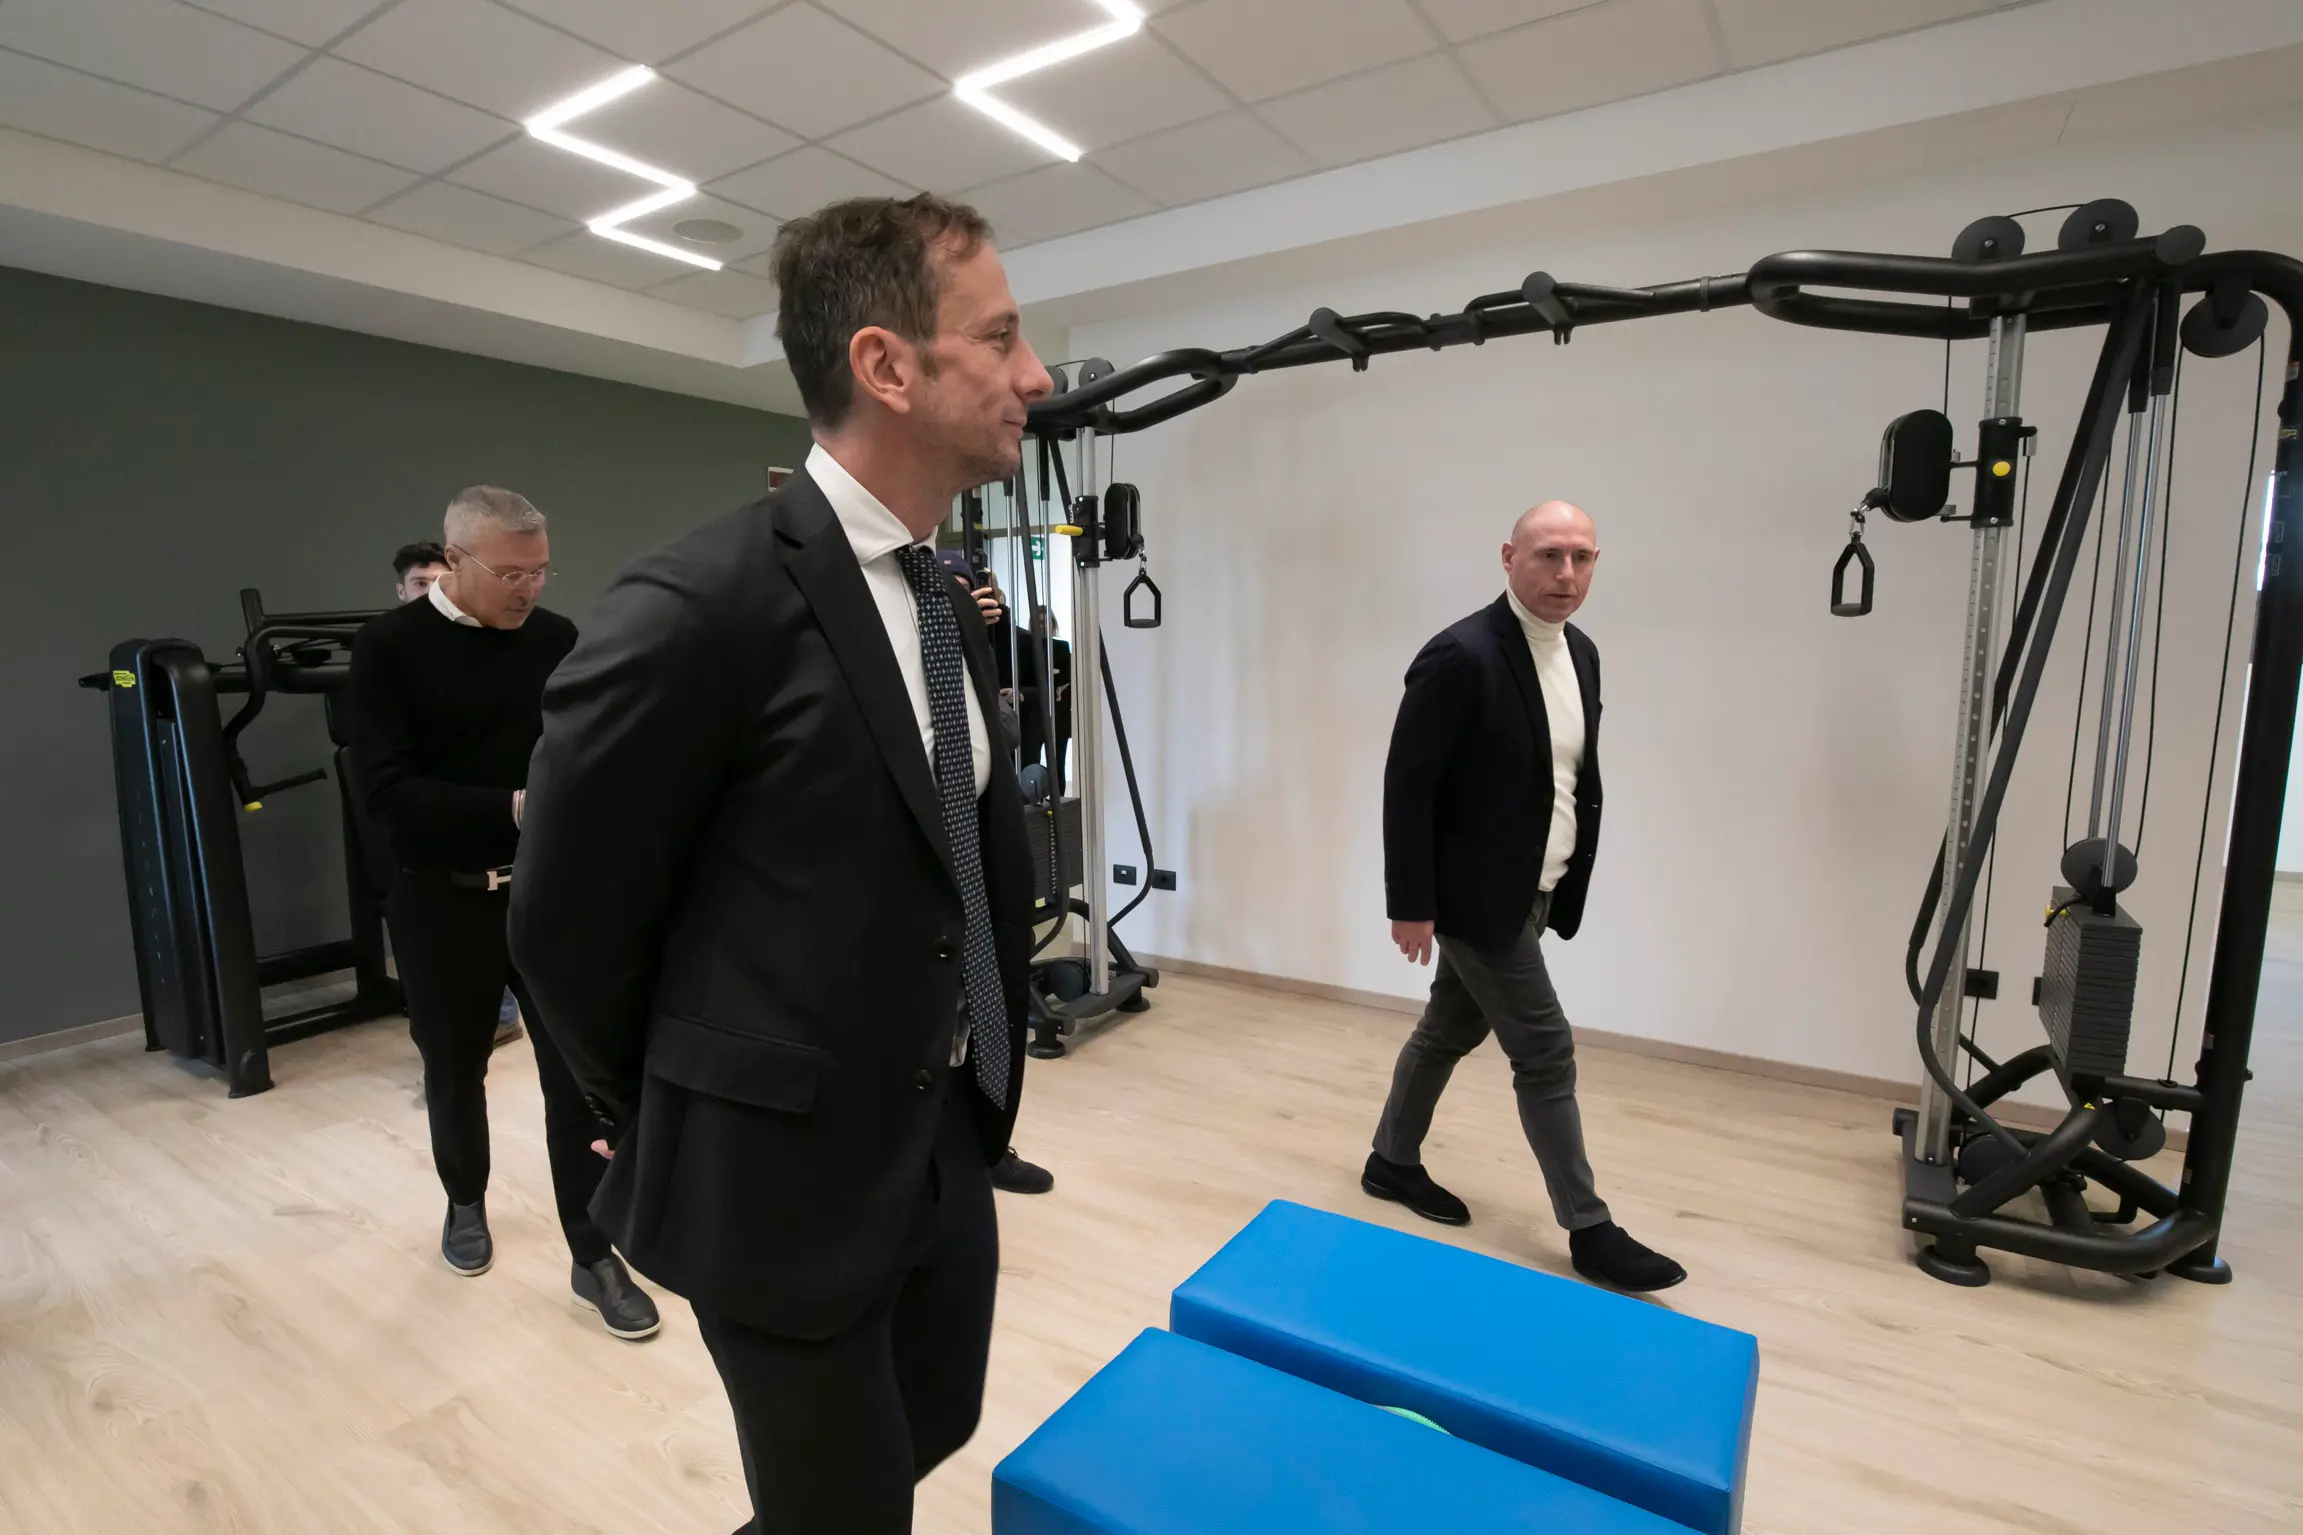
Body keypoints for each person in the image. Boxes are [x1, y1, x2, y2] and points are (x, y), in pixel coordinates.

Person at [510, 193, 1048, 1533]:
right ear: (886, 365)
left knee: (936, 1420)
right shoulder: (699, 606)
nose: (1033, 375)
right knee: (844, 1507)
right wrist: (649, 1105)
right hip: (772, 1169)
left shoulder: (941, 596)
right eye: (999, 338)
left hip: (940, 1123)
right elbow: (563, 916)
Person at [351, 487, 661, 1339]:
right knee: (455, 1068)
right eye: (511, 573)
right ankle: (464, 1199)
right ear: (453, 561)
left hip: (549, 894)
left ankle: (594, 1253)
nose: (530, 588)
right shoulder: (388, 648)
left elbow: (583, 746)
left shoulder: (555, 638)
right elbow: (385, 794)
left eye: (540, 569)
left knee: (578, 1079)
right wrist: (515, 806)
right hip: (440, 898)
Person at [1366, 501, 1686, 1294]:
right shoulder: (1459, 654)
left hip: (1534, 889)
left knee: (1447, 1027)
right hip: (1475, 899)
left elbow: (1565, 776)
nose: (1565, 573)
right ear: (1509, 557)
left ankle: (1389, 1161)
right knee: (1545, 1051)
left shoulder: (1580, 652)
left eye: (1582, 557)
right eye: (1548, 555)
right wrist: (1410, 902)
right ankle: (1589, 1228)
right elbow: (1408, 786)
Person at [935, 553, 1055, 1199]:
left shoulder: (977, 656)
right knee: (933, 1023)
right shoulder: (898, 661)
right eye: (949, 591)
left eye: (969, 591)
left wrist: (981, 643)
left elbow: (1005, 732)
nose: (963, 600)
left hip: (984, 864)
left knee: (990, 1012)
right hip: (925, 876)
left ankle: (986, 1144)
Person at [391, 540, 523, 1053]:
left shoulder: (509, 646)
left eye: (438, 580)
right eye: (420, 584)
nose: (432, 591)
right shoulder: (390, 650)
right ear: (401, 591)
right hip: (436, 866)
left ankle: (501, 1013)